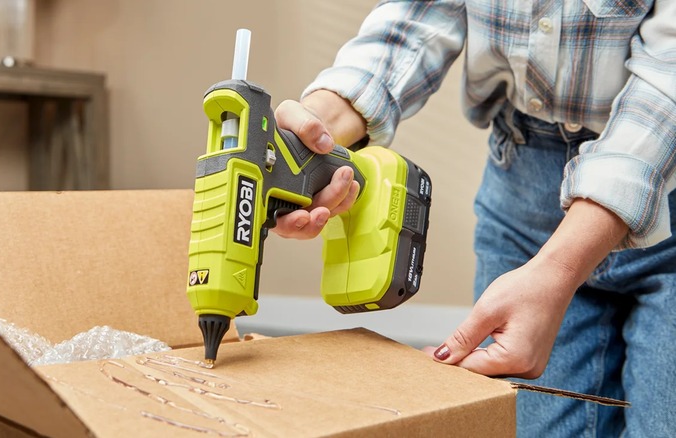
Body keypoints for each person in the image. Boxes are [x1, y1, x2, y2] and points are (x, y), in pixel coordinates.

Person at [271, 1, 675, 436]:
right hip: (520, 180)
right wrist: (313, 132)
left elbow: (667, 81)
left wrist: (559, 268)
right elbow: (419, 17)